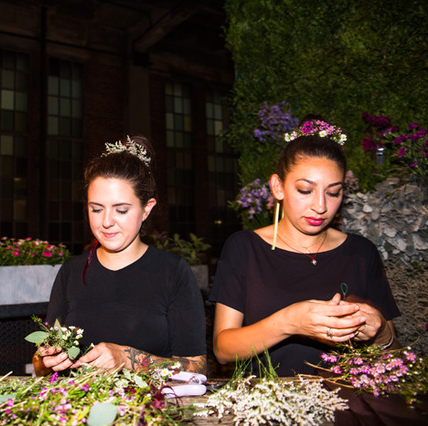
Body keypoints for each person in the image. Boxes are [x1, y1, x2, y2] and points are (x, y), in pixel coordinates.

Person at [210, 120, 400, 376]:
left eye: (333, 193)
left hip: (346, 405)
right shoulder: (245, 248)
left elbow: (395, 359)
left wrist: (382, 334)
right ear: (278, 187)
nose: (320, 206)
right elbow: (222, 350)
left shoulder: (361, 253)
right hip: (266, 405)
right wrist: (290, 321)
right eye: (305, 190)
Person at [34, 135, 207, 375]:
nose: (106, 222)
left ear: (147, 209)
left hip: (152, 409)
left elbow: (197, 367)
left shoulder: (173, 272)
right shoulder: (70, 272)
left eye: (121, 210)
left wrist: (128, 359)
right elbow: (40, 363)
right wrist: (46, 359)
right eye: (96, 209)